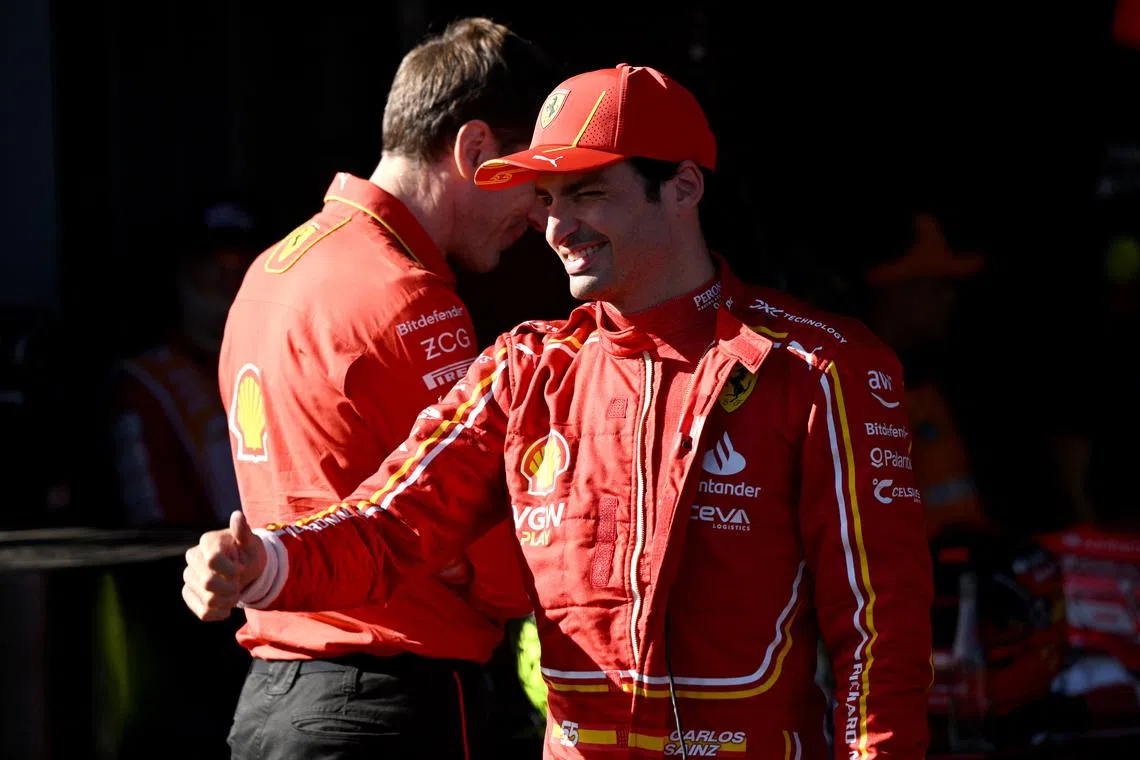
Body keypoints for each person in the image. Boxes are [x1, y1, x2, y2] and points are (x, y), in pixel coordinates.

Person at [184, 63, 934, 760]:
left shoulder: (819, 367)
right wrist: (267, 562)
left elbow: (879, 627)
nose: (556, 227)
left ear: (681, 188)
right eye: (546, 200)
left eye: (588, 193)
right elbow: (391, 524)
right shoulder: (526, 368)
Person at [210, 18, 563, 760]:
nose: (538, 217)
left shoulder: (269, 271)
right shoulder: (412, 298)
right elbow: (490, 548)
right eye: (533, 185)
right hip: (394, 699)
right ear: (473, 151)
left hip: (270, 696)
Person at [105, 199, 260, 528]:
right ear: (184, 271)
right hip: (202, 564)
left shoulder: (285, 367)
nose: (228, 275)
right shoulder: (148, 384)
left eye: (241, 261)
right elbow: (154, 524)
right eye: (213, 260)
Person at [862, 213, 997, 541]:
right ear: (898, 292)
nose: (950, 299)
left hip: (962, 576)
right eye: (937, 287)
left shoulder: (935, 382)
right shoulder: (854, 392)